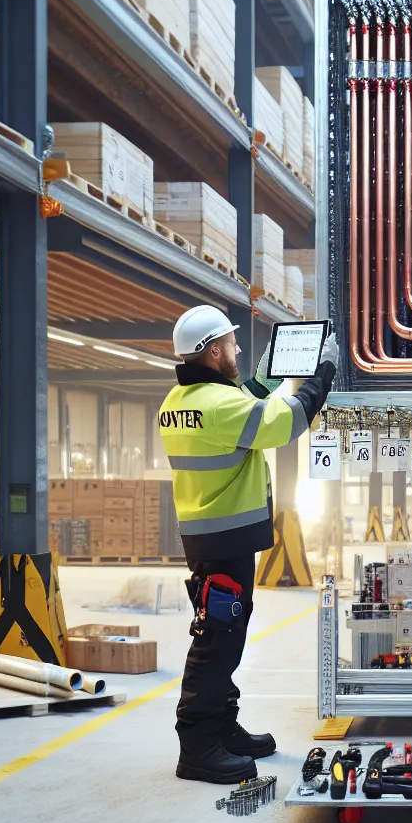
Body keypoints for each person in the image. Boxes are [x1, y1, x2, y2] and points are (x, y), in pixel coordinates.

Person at [159, 305, 336, 783]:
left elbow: (239, 416)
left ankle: (222, 728)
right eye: (232, 345)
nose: (238, 349)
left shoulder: (180, 400)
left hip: (211, 536)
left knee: (225, 635)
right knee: (216, 641)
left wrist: (259, 381)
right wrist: (324, 375)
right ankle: (197, 747)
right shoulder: (220, 406)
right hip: (224, 537)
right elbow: (281, 424)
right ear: (213, 350)